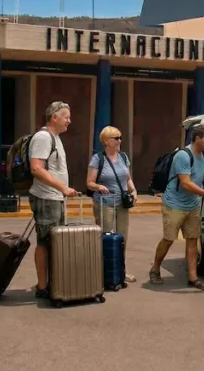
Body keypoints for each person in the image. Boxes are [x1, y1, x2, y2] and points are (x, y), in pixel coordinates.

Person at [148, 124, 204, 291]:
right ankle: (155, 269)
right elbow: (186, 183)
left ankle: (193, 278)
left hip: (192, 205)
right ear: (197, 138)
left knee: (192, 240)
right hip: (175, 205)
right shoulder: (183, 156)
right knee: (168, 239)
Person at [29, 101, 78, 300]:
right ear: (54, 117)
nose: (69, 121)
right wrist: (62, 188)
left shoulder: (55, 138)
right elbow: (36, 168)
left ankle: (52, 283)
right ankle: (42, 287)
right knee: (45, 242)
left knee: (54, 243)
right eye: (66, 117)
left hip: (55, 198)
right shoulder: (43, 137)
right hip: (46, 197)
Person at [86, 125, 139, 283]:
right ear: (106, 141)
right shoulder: (98, 159)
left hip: (122, 203)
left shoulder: (123, 157)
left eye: (120, 137)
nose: (119, 140)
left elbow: (127, 178)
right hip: (104, 203)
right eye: (115, 138)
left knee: (122, 237)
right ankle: (103, 271)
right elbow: (89, 182)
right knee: (105, 236)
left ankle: (121, 271)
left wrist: (134, 190)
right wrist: (98, 186)